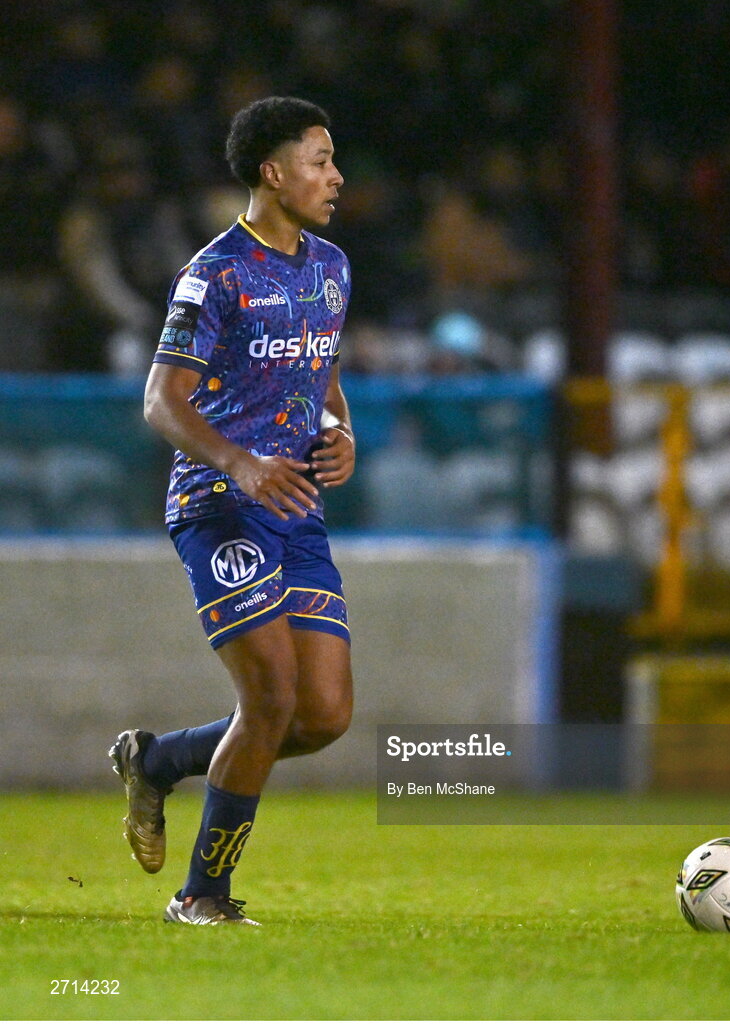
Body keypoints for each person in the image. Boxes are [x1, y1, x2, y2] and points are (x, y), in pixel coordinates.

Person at [109, 96, 355, 926]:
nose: (335, 176)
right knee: (272, 699)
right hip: (219, 505)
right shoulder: (215, 273)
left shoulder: (330, 267)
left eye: (333, 160)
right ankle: (201, 896)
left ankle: (160, 759)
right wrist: (239, 464)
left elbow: (318, 375)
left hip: (298, 510)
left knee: (323, 716)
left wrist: (340, 432)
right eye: (319, 161)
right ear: (272, 173)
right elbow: (160, 400)